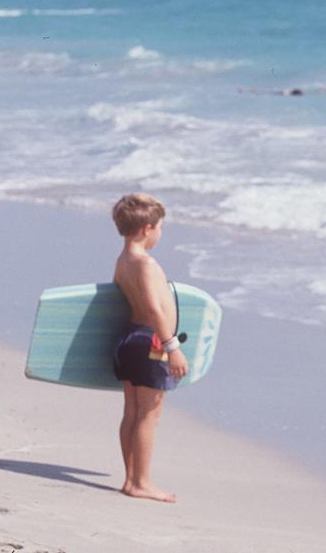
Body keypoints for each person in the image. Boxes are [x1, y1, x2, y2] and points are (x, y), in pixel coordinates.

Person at [111, 193, 188, 503]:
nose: (160, 233)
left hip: (129, 339)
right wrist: (173, 348)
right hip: (151, 343)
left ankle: (131, 478)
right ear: (146, 228)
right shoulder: (146, 263)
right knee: (149, 415)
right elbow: (156, 310)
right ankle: (142, 481)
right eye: (160, 227)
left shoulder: (122, 261)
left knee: (132, 412)